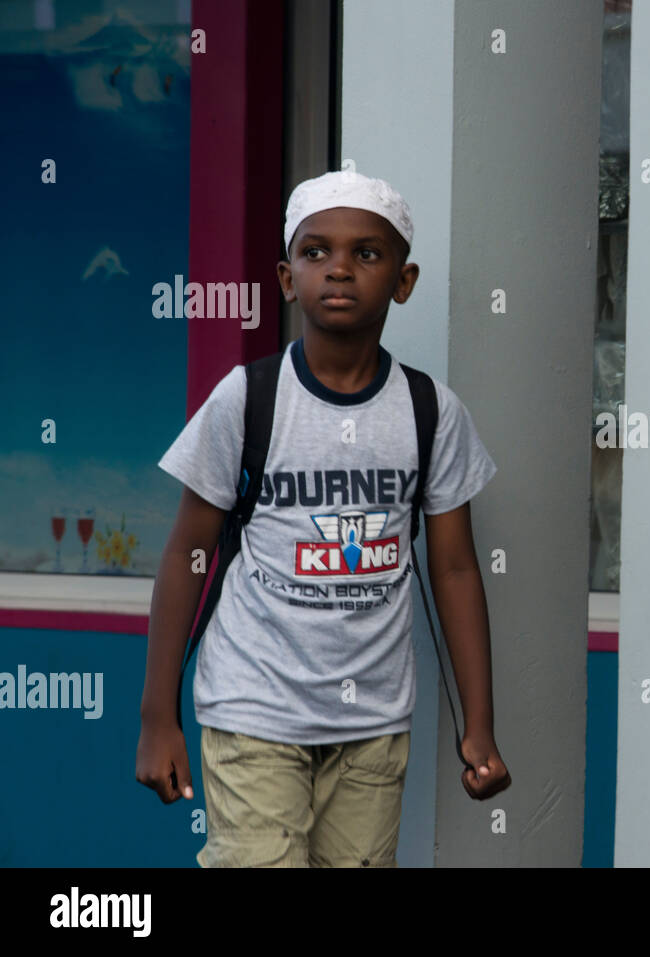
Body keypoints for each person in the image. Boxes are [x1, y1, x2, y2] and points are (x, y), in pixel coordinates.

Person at [135, 169, 510, 867]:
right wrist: (158, 715)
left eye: (367, 253)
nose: (339, 268)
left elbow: (455, 566)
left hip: (371, 721)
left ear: (403, 280)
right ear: (285, 277)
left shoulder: (431, 412)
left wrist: (479, 724)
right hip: (254, 706)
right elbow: (189, 550)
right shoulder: (246, 399)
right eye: (315, 252)